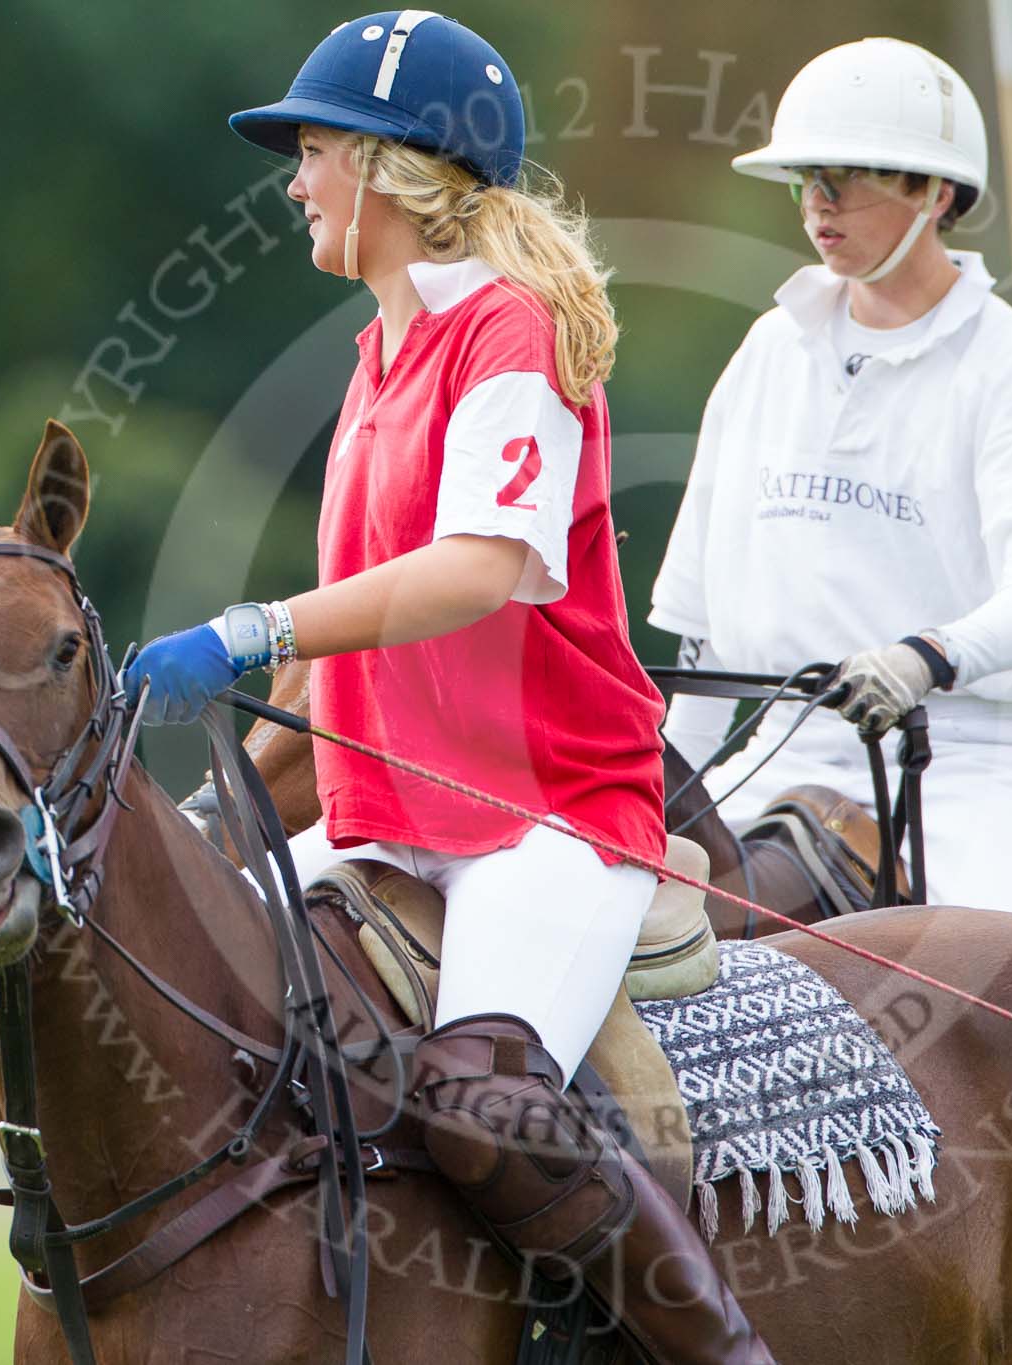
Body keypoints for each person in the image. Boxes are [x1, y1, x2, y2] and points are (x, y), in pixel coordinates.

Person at [124, 14, 772, 1362]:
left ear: (393, 166)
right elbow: (348, 641)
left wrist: (244, 626)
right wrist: (208, 811)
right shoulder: (377, 355)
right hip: (383, 816)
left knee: (478, 1092)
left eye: (312, 152)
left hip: (551, 816)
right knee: (191, 995)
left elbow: (478, 568)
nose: (295, 182)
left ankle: (723, 1352)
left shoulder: (511, 335)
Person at [650, 37, 1012, 922]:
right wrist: (670, 780)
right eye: (807, 179)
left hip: (969, 768)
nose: (819, 205)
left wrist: (924, 657)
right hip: (775, 757)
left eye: (850, 177)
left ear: (936, 194)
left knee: (999, 1000)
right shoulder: (768, 352)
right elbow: (700, 614)